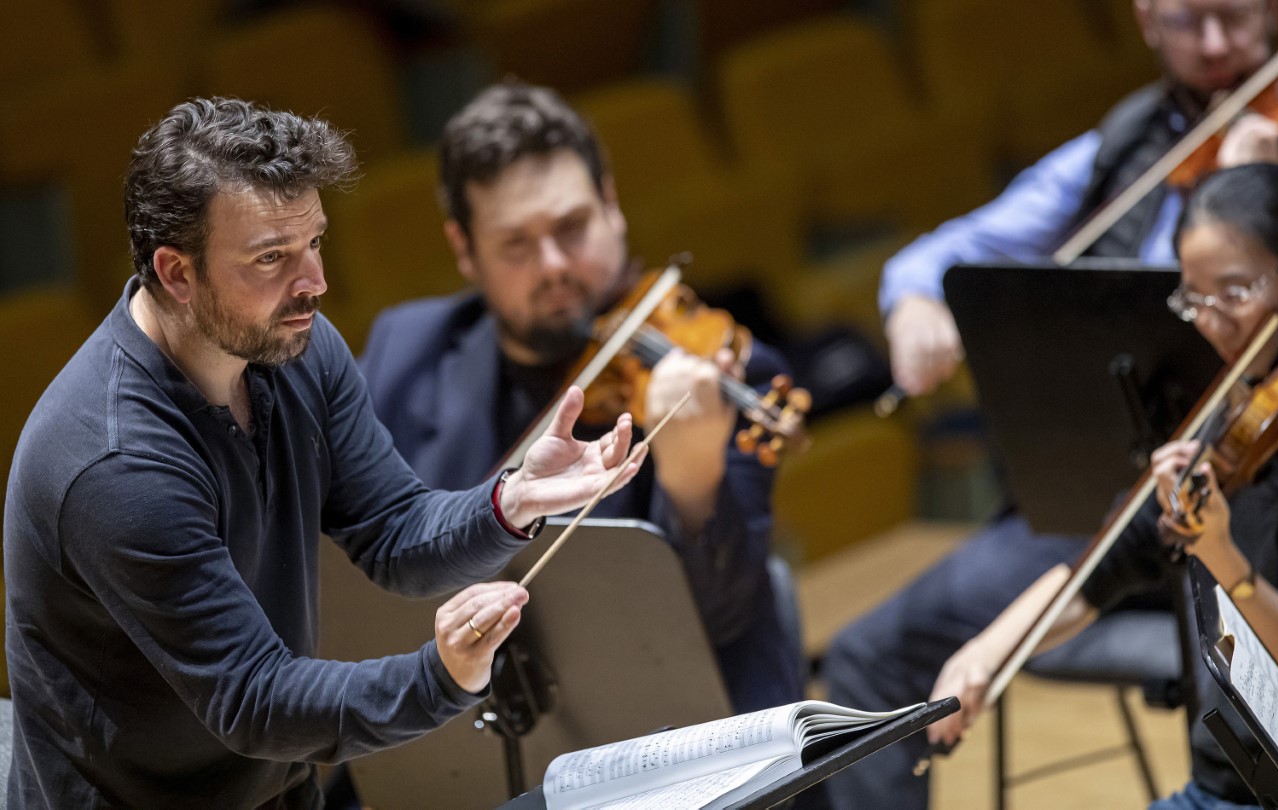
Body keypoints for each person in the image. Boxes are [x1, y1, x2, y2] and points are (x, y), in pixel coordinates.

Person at [2, 97, 646, 808]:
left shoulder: (291, 344)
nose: (313, 282)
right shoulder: (116, 464)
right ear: (177, 274)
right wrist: (441, 676)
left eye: (315, 243)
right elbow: (255, 701)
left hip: (276, 788)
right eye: (271, 257)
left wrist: (511, 500)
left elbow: (395, 531)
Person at [824, 1, 1278, 806]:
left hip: (1237, 545)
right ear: (1144, 18)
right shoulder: (1130, 144)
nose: (1214, 45)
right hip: (1129, 503)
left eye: (1235, 16)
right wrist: (915, 298)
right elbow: (957, 248)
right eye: (1187, 19)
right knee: (869, 653)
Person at [359, 81, 805, 714]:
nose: (553, 266)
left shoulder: (723, 369)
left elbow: (724, 620)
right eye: (516, 244)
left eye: (573, 227)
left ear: (611, 205)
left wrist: (692, 476)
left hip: (673, 730)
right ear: (464, 249)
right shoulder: (407, 353)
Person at [930, 162, 1278, 809]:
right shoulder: (1230, 423)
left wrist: (1223, 559)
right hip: (1228, 787)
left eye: (1234, 292)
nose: (1211, 321)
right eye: (1193, 298)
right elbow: (1100, 567)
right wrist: (984, 654)